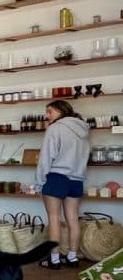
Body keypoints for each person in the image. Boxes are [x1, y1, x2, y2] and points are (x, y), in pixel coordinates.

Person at [35, 99, 90, 269]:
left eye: (49, 111)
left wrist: (39, 183)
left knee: (54, 219)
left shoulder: (55, 128)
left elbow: (45, 158)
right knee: (73, 219)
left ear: (60, 111)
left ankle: (54, 260)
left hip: (57, 178)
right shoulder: (83, 130)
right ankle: (72, 258)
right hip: (77, 179)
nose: (46, 115)